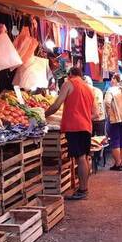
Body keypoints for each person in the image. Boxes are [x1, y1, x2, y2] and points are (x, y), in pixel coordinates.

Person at [45, 67, 98, 200]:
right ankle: (84, 188)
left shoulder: (69, 84)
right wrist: (84, 117)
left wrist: (44, 115)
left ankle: (83, 190)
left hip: (74, 127)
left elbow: (57, 105)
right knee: (84, 157)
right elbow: (96, 114)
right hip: (86, 127)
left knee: (80, 158)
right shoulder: (89, 89)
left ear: (70, 75)